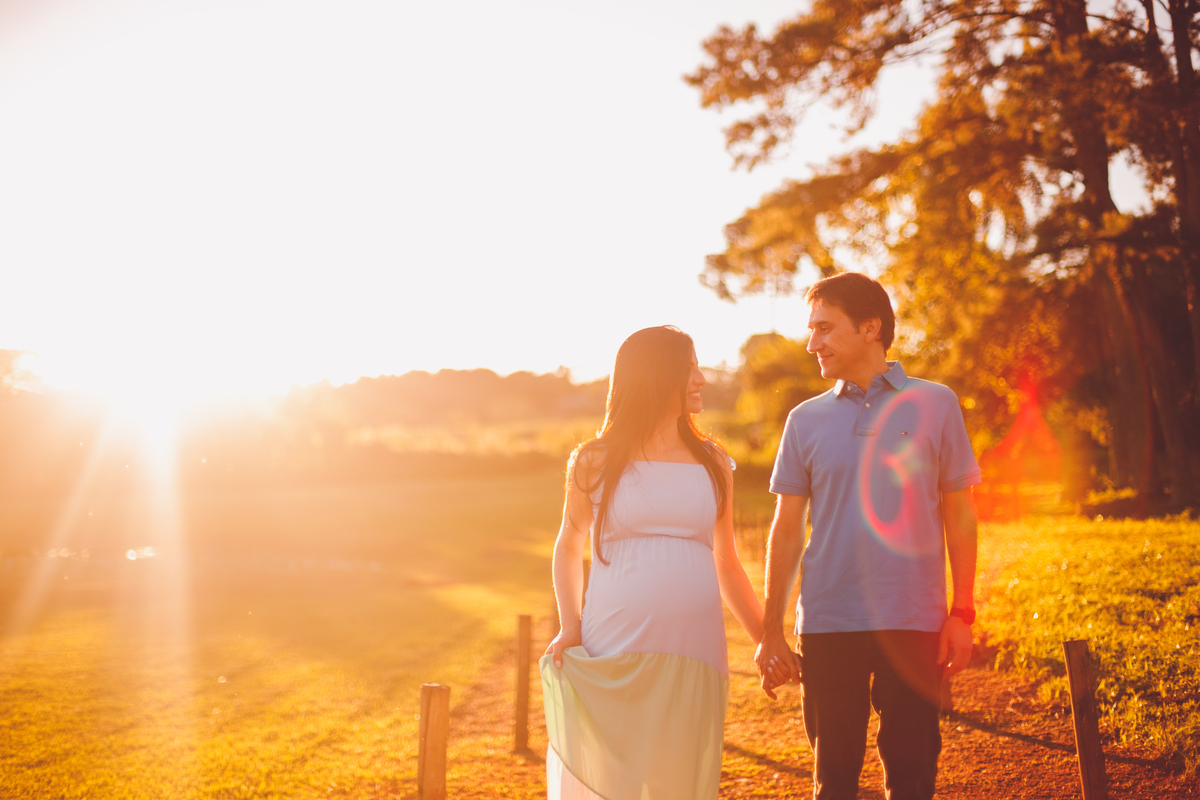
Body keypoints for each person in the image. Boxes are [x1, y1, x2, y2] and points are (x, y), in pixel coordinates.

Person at [756, 272, 980, 800]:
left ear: (870, 328)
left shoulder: (937, 403)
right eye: (812, 330)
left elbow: (960, 515)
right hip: (830, 624)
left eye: (825, 329)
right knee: (832, 780)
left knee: (912, 775)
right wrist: (770, 629)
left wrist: (962, 612)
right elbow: (786, 530)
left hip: (914, 620)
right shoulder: (803, 421)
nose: (813, 343)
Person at [541, 325, 764, 800]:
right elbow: (567, 546)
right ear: (655, 376)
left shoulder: (714, 463)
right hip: (613, 643)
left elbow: (728, 563)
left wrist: (768, 641)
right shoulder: (594, 461)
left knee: (677, 778)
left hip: (694, 649)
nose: (701, 378)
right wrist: (569, 624)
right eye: (689, 369)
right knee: (612, 774)